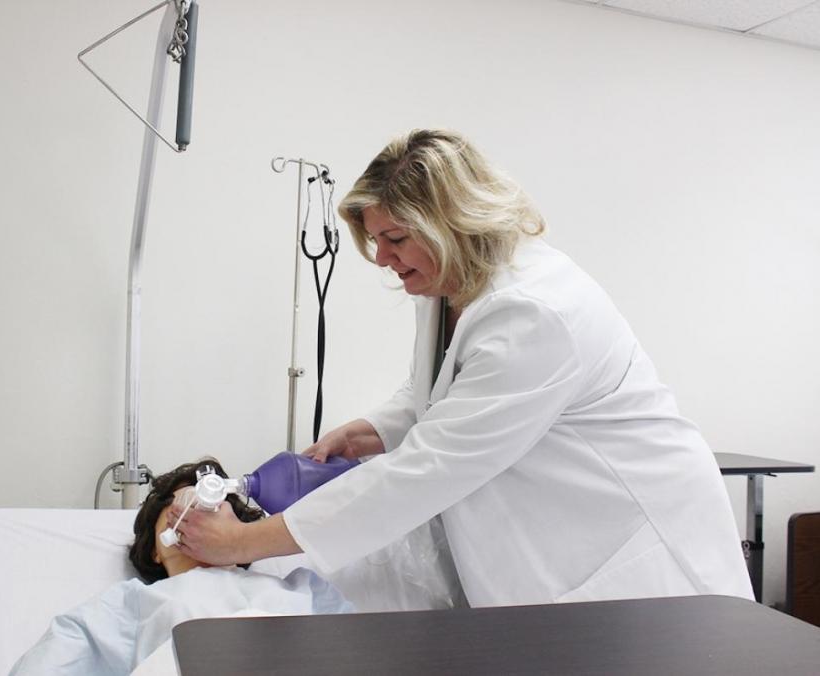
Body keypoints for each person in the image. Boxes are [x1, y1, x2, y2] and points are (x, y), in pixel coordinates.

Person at [169, 129, 753, 607]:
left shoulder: (536, 312)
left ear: (452, 225)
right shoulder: (451, 284)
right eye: (375, 240)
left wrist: (242, 541)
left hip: (631, 545)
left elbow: (425, 471)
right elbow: (447, 390)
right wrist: (378, 426)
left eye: (395, 238)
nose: (382, 260)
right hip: (555, 534)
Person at [9, 459, 350, 676]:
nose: (195, 513)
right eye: (179, 508)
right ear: (157, 550)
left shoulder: (303, 587)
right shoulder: (134, 602)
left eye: (211, 505)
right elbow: (58, 658)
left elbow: (367, 651)